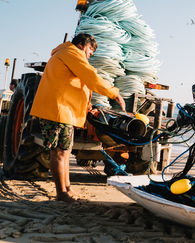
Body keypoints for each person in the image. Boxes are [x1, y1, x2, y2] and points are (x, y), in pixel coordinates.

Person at [30, 33, 126, 202]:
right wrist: (114, 93)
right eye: (90, 50)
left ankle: (67, 189)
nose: (90, 55)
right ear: (81, 45)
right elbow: (91, 77)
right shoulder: (71, 53)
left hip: (64, 111)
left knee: (65, 152)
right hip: (58, 111)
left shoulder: (66, 55)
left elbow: (71, 85)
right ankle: (61, 193)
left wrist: (87, 106)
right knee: (59, 152)